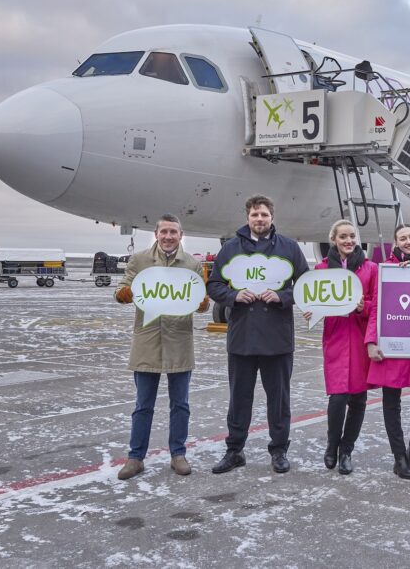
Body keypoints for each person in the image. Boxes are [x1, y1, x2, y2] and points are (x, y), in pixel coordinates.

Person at [207, 195, 309, 475]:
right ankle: (234, 450)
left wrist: (282, 296)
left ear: (271, 217)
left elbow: (305, 283)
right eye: (255, 215)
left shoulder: (288, 247)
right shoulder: (231, 248)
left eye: (264, 214)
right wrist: (233, 295)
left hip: (277, 339)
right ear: (248, 218)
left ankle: (279, 450)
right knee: (239, 398)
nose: (259, 219)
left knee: (279, 400)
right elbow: (213, 284)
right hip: (242, 338)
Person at [113, 215, 209, 480]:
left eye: (173, 232)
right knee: (143, 405)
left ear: (181, 235)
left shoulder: (192, 264)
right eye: (164, 232)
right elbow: (122, 288)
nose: (168, 236)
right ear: (156, 234)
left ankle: (178, 454)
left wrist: (203, 304)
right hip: (148, 340)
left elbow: (201, 298)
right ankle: (136, 457)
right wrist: (124, 294)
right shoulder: (140, 260)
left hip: (179, 340)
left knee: (181, 404)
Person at [365, 224, 410, 480]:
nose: (409, 241)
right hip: (393, 343)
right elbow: (376, 307)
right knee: (391, 402)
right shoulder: (385, 269)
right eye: (403, 239)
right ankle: (400, 458)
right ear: (395, 244)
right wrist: (371, 342)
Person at [305, 220, 377, 476]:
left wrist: (363, 307)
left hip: (359, 338)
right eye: (343, 236)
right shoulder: (322, 269)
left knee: (358, 399)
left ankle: (347, 450)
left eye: (352, 236)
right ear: (333, 239)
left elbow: (377, 303)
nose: (348, 241)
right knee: (337, 398)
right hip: (335, 337)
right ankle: (332, 444)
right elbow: (314, 300)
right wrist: (311, 310)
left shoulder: (371, 268)